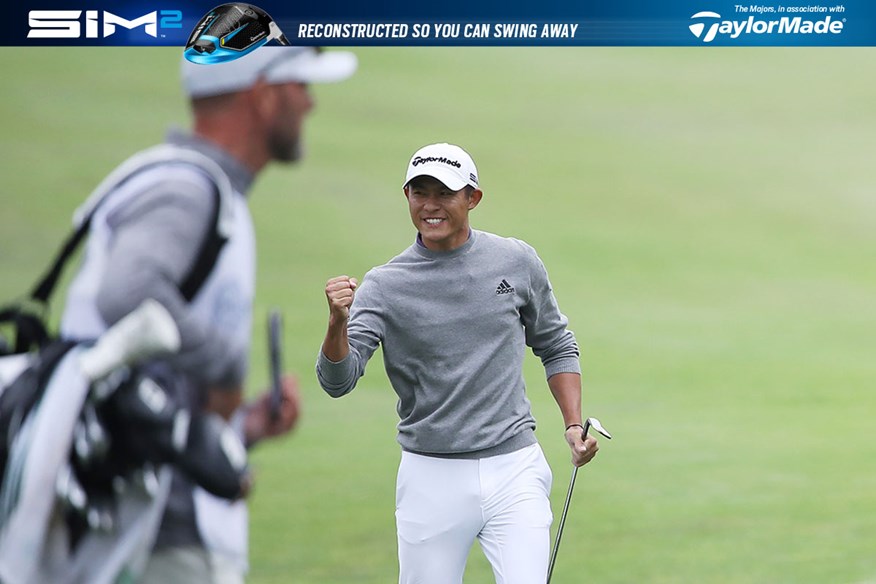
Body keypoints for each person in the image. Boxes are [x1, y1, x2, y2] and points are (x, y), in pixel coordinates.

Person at [59, 46, 357, 583]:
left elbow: (152, 379)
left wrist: (238, 429)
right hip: (150, 525)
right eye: (300, 87)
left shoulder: (204, 188)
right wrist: (226, 365)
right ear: (264, 96)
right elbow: (127, 295)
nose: (310, 104)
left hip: (151, 506)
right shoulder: (188, 189)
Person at [317, 142, 601, 584]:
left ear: (473, 198)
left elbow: (556, 343)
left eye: (445, 193)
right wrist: (338, 323)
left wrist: (571, 423)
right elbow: (338, 380)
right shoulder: (385, 285)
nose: (430, 205)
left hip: (515, 467)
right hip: (431, 476)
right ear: (406, 196)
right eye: (419, 192)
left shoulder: (515, 261)